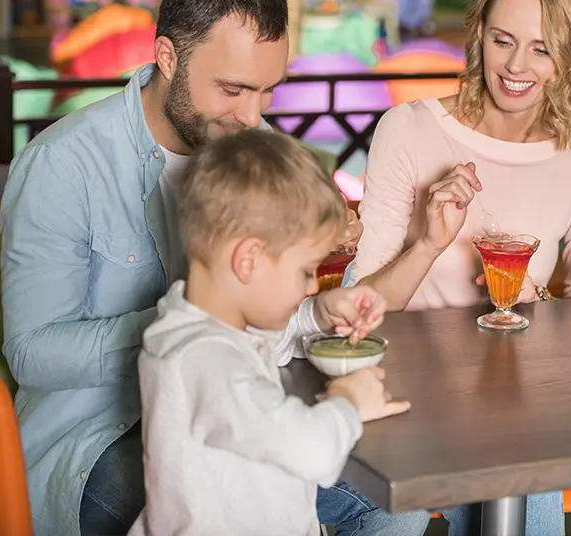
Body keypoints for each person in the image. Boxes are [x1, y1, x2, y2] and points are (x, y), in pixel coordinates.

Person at [0, 0, 425, 536]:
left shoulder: (254, 149)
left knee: (396, 497)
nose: (253, 117)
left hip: (244, 399)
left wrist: (317, 291)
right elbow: (31, 354)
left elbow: (269, 304)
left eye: (268, 91)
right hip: (93, 437)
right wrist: (196, 330)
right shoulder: (63, 164)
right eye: (232, 89)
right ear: (168, 56)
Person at [348, 0, 571, 535]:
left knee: (527, 492)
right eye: (503, 40)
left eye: (542, 48)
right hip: (403, 392)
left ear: (568, 56)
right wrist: (427, 241)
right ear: (478, 37)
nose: (516, 65)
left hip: (513, 401)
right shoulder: (409, 130)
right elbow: (357, 304)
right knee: (398, 515)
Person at [128, 129, 410, 535]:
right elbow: (308, 451)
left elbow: (263, 344)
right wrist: (347, 402)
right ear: (248, 261)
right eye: (306, 270)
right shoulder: (206, 359)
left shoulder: (198, 327)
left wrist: (317, 312)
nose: (314, 284)